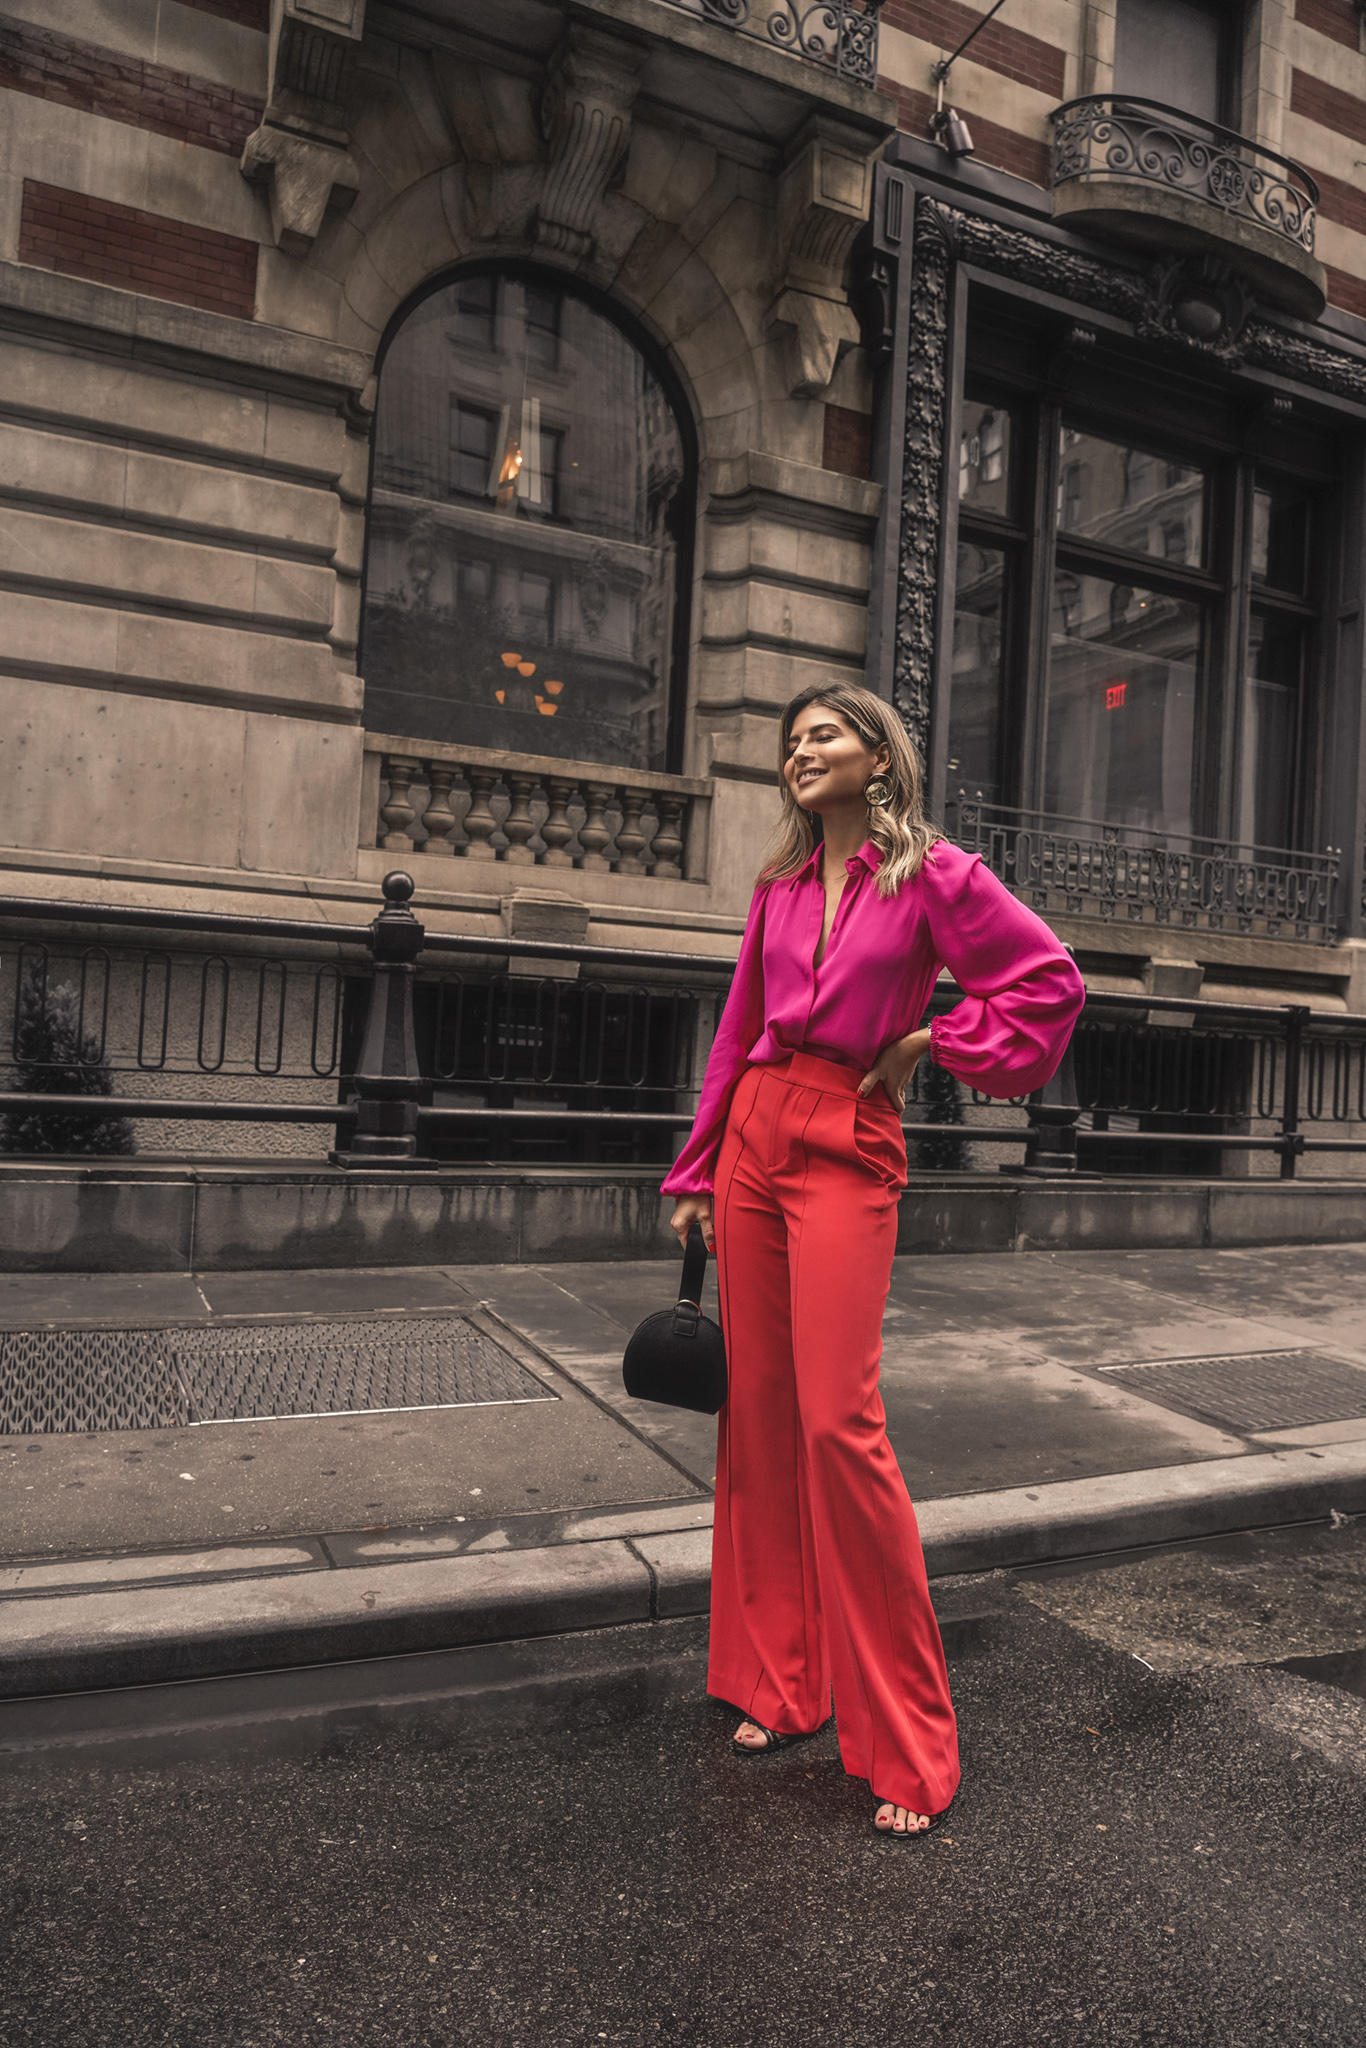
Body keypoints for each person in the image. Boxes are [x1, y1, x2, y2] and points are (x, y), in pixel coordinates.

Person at [662, 681, 1087, 1839]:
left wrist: (928, 1040)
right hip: (757, 1124)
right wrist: (696, 1170)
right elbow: (739, 1025)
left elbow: (1048, 983)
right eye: (791, 740)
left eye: (824, 734)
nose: (801, 750)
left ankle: (905, 1738)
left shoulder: (936, 875)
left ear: (877, 756)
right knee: (757, 1414)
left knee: (838, 1424)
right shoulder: (780, 885)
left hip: (848, 1136)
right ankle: (782, 1681)